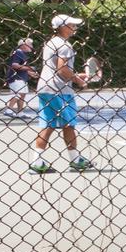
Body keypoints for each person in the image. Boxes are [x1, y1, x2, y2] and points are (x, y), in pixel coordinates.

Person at [32, 14, 95, 174]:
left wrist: (75, 76)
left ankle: (37, 161)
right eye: (71, 25)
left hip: (46, 88)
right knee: (69, 124)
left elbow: (57, 68)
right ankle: (75, 160)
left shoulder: (51, 43)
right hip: (58, 90)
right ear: (62, 27)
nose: (74, 28)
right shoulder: (65, 45)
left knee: (49, 125)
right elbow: (62, 69)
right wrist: (78, 81)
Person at [6, 37, 34, 114]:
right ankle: (9, 110)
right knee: (18, 94)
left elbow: (21, 68)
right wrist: (29, 68)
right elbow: (14, 65)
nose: (32, 46)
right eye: (30, 44)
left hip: (21, 78)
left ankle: (20, 113)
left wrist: (29, 72)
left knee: (22, 95)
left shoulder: (23, 54)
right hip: (16, 78)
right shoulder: (18, 52)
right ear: (23, 45)